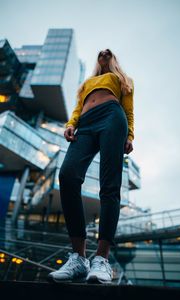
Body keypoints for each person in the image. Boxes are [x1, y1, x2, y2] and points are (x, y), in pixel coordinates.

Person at [47, 48, 134, 284]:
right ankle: (78, 258)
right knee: (68, 176)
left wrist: (130, 136)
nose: (104, 52)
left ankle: (101, 259)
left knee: (109, 184)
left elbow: (128, 110)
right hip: (85, 123)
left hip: (112, 118)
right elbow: (77, 108)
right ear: (98, 60)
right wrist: (71, 123)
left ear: (114, 58)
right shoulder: (88, 82)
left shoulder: (122, 80)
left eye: (109, 52)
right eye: (100, 52)